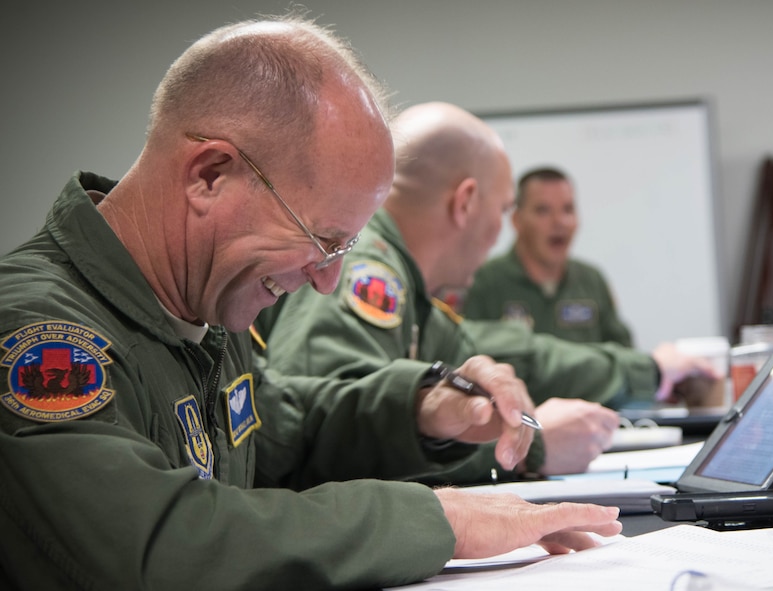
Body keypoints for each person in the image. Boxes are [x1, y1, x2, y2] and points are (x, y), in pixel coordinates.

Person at [0, 16, 624, 590]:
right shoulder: (39, 333)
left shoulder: (207, 303)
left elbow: (280, 432)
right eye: (322, 240)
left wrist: (422, 407)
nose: (328, 282)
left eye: (347, 246)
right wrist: (439, 520)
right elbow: (158, 541)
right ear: (210, 174)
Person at [255, 102, 720, 484]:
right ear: (465, 203)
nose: (499, 233)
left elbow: (506, 353)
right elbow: (327, 439)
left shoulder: (406, 285)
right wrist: (529, 448)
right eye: (502, 211)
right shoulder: (366, 272)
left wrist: (645, 371)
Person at [462, 167, 634, 347]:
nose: (559, 222)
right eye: (543, 210)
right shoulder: (485, 282)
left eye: (568, 209)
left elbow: (623, 356)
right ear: (517, 220)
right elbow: (466, 356)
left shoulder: (592, 281)